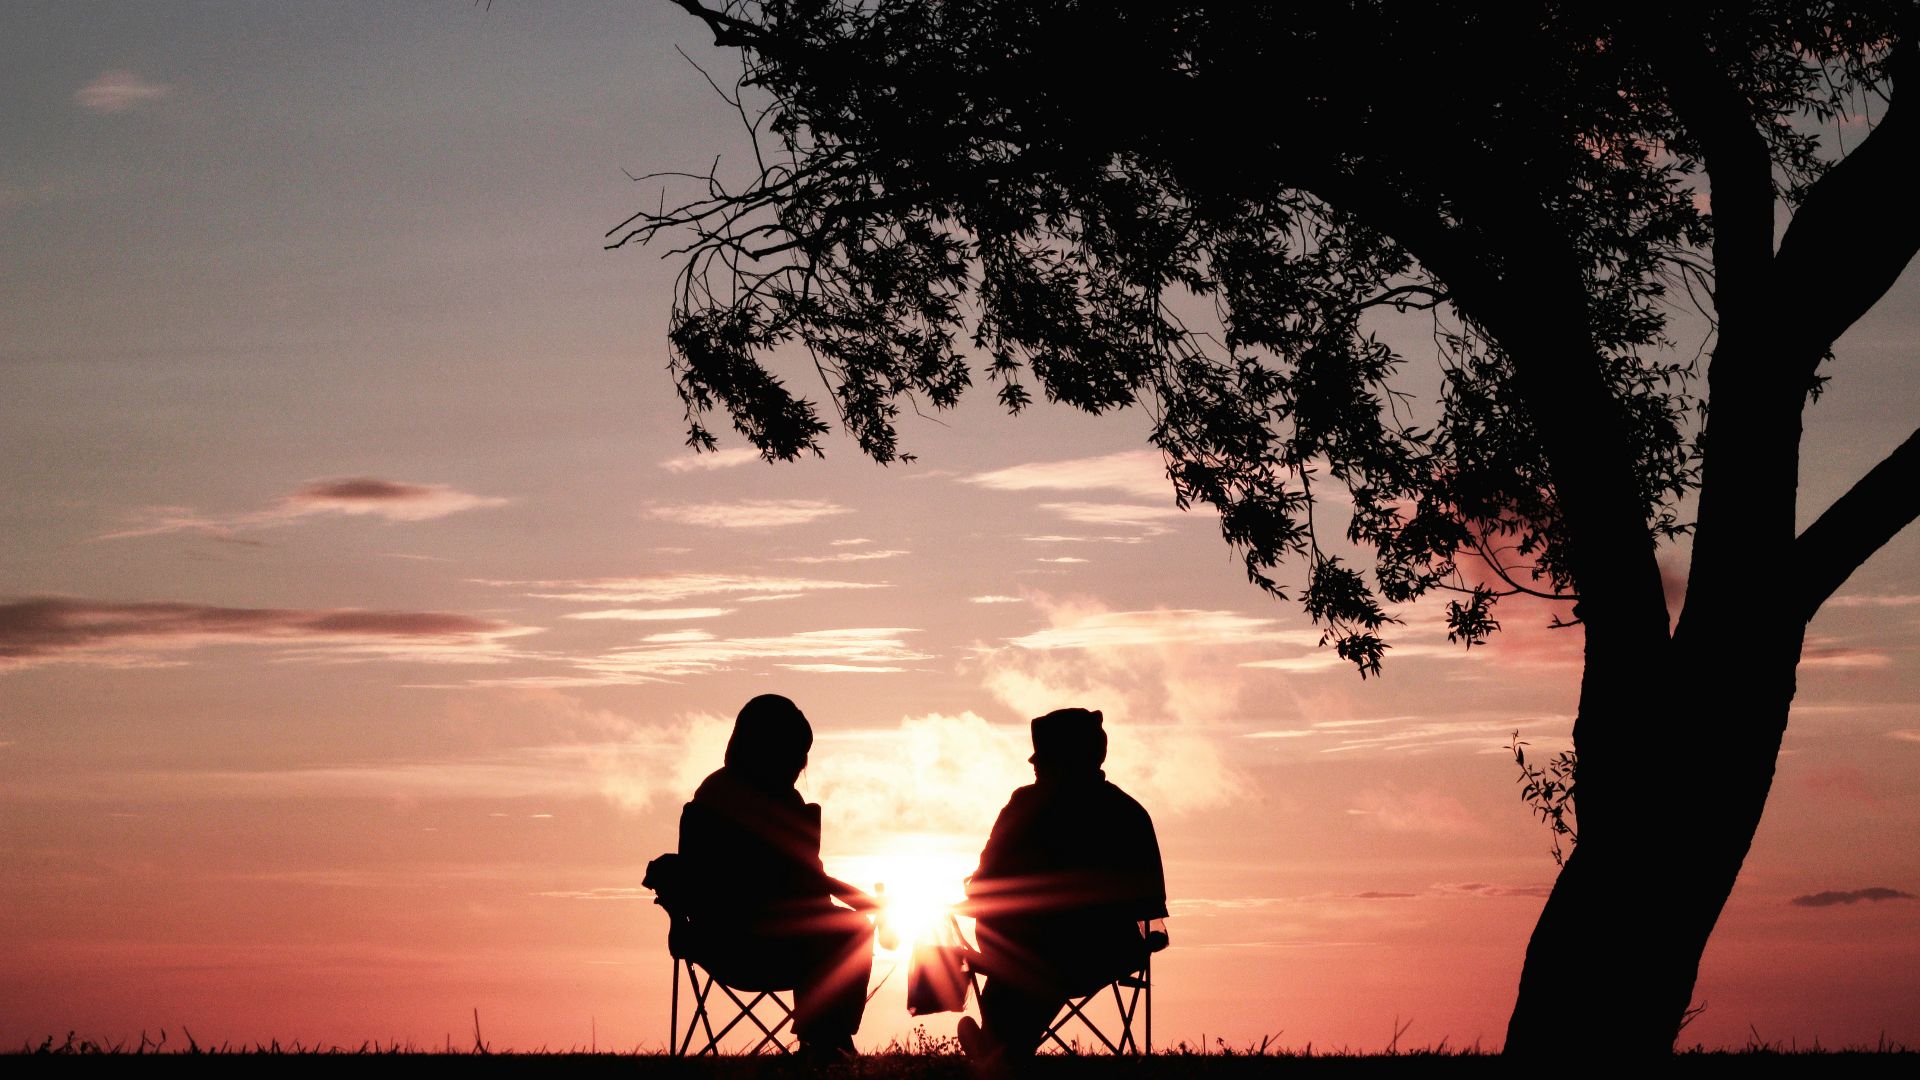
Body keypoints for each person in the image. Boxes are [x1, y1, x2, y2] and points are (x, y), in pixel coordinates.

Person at [668, 694, 876, 1059]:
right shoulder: (762, 803)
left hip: (713, 940)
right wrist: (866, 904)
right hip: (758, 943)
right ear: (772, 750)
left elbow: (808, 880)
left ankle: (826, 1038)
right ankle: (826, 1039)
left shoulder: (713, 793)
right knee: (853, 930)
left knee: (840, 928)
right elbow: (805, 880)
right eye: (796, 754)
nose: (800, 765)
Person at [956, 707, 1168, 1063]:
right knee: (1037, 956)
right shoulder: (1128, 812)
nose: (1035, 768)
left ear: (1059, 761)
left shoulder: (1024, 807)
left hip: (1035, 952)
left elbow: (982, 885)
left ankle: (999, 1049)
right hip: (1106, 952)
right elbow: (1151, 905)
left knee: (1029, 957)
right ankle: (999, 1048)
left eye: (1041, 761)